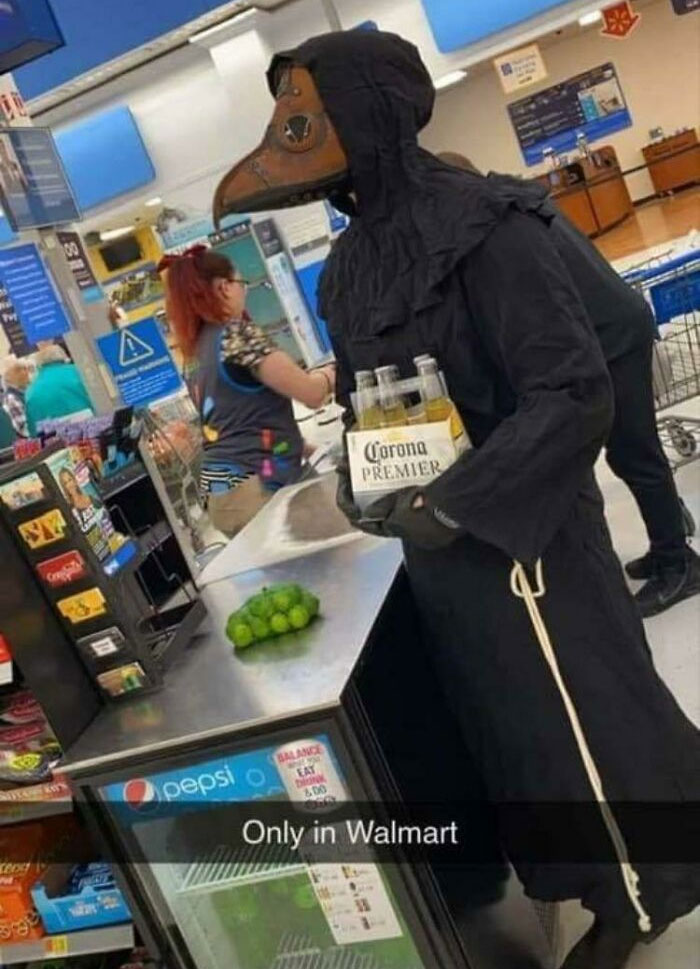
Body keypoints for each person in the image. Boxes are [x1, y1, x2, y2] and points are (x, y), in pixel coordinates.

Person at [213, 30, 700, 969]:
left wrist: (460, 499)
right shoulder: (345, 271)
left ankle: (643, 889)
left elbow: (570, 389)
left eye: (310, 115)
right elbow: (364, 398)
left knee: (583, 714)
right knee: (517, 727)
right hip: (442, 557)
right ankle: (594, 878)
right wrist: (367, 481)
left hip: (530, 542)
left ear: (369, 111)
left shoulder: (489, 223)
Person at [436, 151, 699, 618]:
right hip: (612, 325)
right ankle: (668, 545)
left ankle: (680, 564)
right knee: (629, 453)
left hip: (610, 335)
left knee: (635, 454)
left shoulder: (497, 224)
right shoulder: (514, 199)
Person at [158, 246, 335, 537]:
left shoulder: (196, 352)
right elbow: (312, 394)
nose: (245, 292)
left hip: (224, 492)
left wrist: (296, 447)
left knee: (298, 575)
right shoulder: (237, 334)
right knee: (325, 562)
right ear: (224, 287)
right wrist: (330, 373)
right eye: (242, 284)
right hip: (256, 485)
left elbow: (235, 417)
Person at [25, 344, 93, 436]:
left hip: (60, 442)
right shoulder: (80, 371)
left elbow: (35, 431)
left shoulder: (31, 390)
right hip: (94, 430)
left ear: (39, 364)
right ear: (64, 357)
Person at [1, 354, 30, 438]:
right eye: (18, 370)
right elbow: (24, 429)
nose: (25, 372)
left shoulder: (28, 390)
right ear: (8, 376)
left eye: (25, 368)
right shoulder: (11, 398)